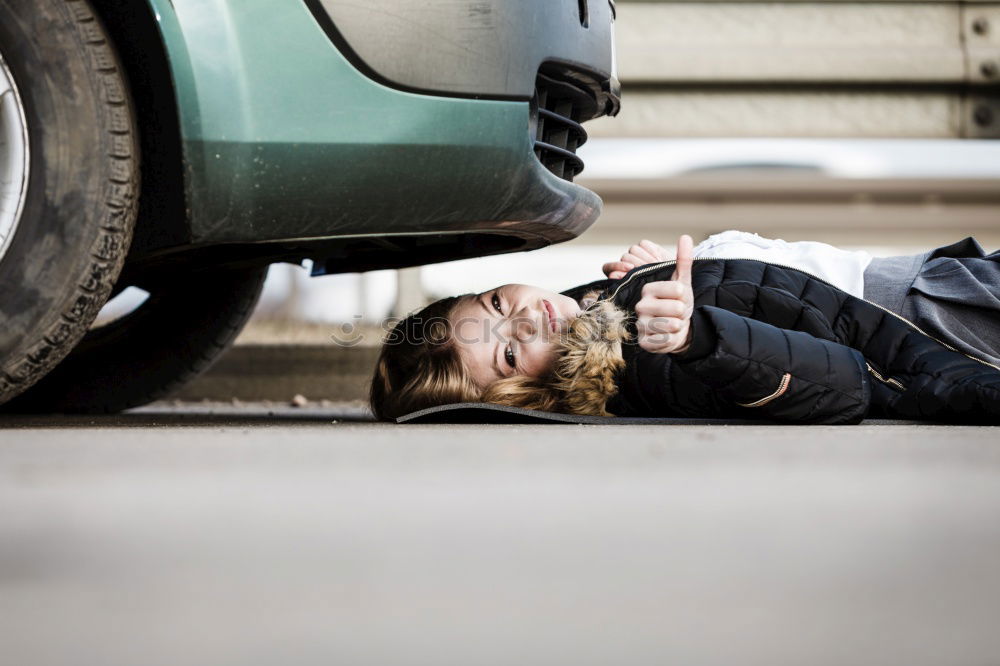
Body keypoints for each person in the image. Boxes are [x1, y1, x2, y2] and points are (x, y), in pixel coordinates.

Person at [369, 232, 1000, 423]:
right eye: (508, 353)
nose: (529, 315)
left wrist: (644, 278)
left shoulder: (600, 312)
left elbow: (767, 280)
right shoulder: (647, 363)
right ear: (520, 400)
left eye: (497, 300)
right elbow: (847, 382)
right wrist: (701, 340)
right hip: (931, 320)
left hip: (924, 277)